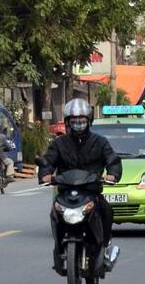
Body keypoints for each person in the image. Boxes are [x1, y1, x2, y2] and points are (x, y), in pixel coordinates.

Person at [39, 98, 122, 273]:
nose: (78, 125)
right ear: (68, 122)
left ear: (89, 121)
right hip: (65, 193)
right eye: (75, 122)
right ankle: (59, 249)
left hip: (91, 192)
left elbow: (112, 159)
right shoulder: (59, 143)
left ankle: (105, 247)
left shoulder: (100, 142)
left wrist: (113, 174)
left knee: (107, 211)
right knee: (54, 214)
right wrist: (45, 174)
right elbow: (48, 160)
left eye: (82, 121)